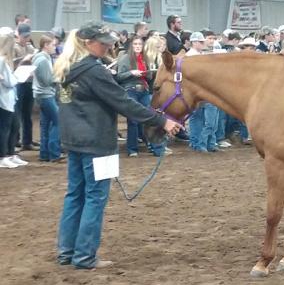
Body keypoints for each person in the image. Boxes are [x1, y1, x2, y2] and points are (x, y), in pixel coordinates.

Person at [54, 22, 181, 269]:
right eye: (103, 42)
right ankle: (85, 256)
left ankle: (67, 252)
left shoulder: (67, 67)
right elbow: (123, 102)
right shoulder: (94, 71)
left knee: (75, 196)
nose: (108, 46)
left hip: (75, 140)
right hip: (98, 143)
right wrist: (161, 120)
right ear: (87, 43)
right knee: (95, 198)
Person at [32, 35, 64, 162]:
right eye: (53, 45)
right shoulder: (43, 60)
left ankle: (44, 153)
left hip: (41, 95)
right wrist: (59, 77)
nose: (54, 47)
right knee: (58, 122)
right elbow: (47, 81)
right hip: (46, 95)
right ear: (46, 45)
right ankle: (54, 153)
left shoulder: (40, 58)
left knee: (45, 125)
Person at [0, 32, 25, 169]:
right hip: (4, 98)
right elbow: (9, 82)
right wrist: (16, 78)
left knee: (13, 126)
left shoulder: (5, 60)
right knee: (5, 128)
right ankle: (3, 156)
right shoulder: (2, 61)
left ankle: (10, 153)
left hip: (9, 97)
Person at [14, 23, 38, 151]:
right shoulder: (14, 47)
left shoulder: (30, 47)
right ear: (19, 35)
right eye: (24, 36)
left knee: (27, 114)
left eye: (28, 36)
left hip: (28, 82)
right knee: (17, 113)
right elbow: (11, 65)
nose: (26, 39)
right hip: (18, 82)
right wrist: (24, 59)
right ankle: (16, 141)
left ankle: (27, 141)